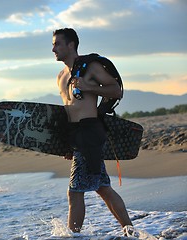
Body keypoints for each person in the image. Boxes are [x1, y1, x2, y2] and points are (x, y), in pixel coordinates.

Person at [52, 28, 138, 237]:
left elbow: (115, 90)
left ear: (71, 44)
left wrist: (90, 88)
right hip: (76, 134)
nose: (53, 49)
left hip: (90, 131)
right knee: (102, 188)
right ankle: (130, 231)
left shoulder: (90, 67)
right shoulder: (61, 76)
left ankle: (74, 236)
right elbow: (69, 109)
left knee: (75, 192)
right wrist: (67, 144)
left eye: (57, 44)